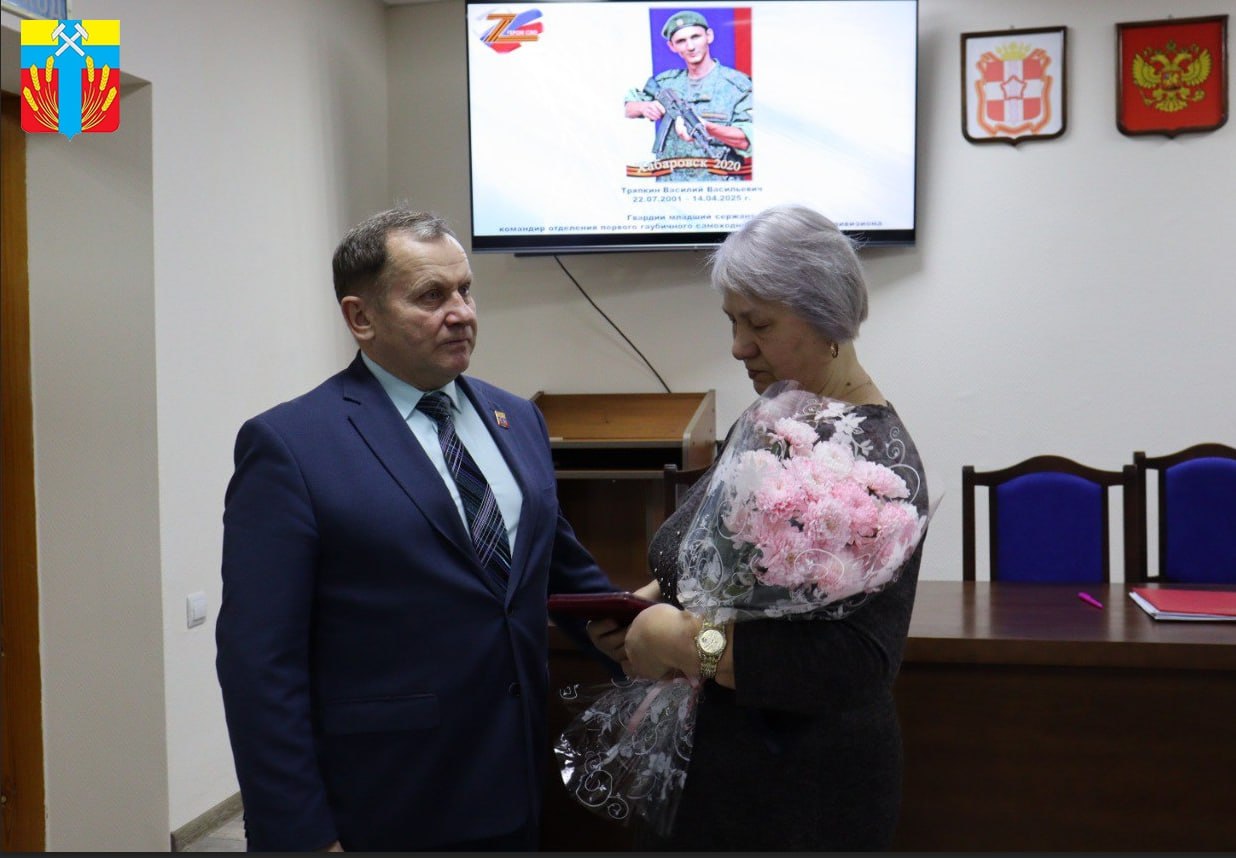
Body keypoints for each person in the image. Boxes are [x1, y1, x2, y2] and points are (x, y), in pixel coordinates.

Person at [215, 207, 617, 852]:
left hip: (515, 780)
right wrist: (299, 833)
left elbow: (558, 572)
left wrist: (652, 633)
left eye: (465, 290)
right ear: (361, 317)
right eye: (432, 296)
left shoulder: (518, 418)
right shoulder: (291, 445)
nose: (461, 313)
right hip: (382, 800)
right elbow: (259, 661)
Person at [587, 203, 930, 850]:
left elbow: (854, 663)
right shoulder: (778, 416)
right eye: (733, 322)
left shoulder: (875, 464)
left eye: (759, 324)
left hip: (796, 793)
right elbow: (714, 560)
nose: (739, 346)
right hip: (717, 773)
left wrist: (685, 642)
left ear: (829, 319)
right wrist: (644, 608)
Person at [624, 10, 753, 181]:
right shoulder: (665, 82)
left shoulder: (738, 86)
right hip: (670, 186)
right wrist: (644, 107)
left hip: (718, 186)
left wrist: (707, 127)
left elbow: (747, 140)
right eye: (681, 41)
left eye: (695, 37)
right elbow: (626, 107)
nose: (690, 46)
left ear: (709, 36)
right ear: (672, 46)